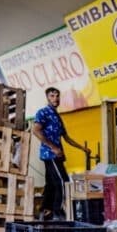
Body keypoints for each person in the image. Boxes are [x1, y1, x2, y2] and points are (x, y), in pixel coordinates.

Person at [32, 87, 90, 220]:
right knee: (63, 182)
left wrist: (82, 148)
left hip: (57, 155)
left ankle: (46, 211)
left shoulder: (57, 117)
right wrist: (53, 148)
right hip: (50, 154)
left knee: (51, 184)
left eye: (57, 96)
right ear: (47, 98)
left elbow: (67, 138)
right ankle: (59, 211)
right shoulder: (43, 112)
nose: (55, 98)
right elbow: (36, 130)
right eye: (52, 96)